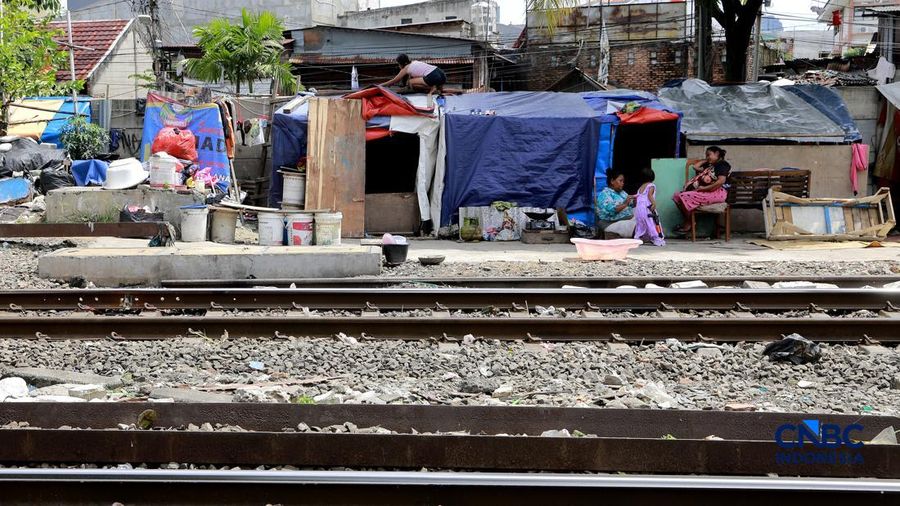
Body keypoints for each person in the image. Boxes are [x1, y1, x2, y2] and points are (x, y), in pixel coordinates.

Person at [672, 146, 731, 236]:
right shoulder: (710, 166)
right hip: (708, 191)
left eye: (709, 154)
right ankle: (690, 220)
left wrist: (704, 189)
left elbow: (721, 181)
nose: (707, 157)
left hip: (718, 193)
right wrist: (707, 159)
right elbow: (695, 167)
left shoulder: (722, 165)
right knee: (676, 196)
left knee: (683, 196)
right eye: (706, 155)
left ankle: (689, 223)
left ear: (717, 154)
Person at [596, 168, 636, 238]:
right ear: (612, 181)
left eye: (623, 181)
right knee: (632, 225)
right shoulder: (604, 194)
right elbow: (612, 210)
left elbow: (631, 205)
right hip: (610, 223)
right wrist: (625, 204)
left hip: (626, 218)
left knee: (644, 214)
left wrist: (636, 200)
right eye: (620, 181)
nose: (623, 183)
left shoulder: (622, 193)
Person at [381, 54, 447, 95]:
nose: (398, 66)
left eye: (399, 64)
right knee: (441, 90)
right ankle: (437, 88)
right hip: (441, 73)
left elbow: (394, 80)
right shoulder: (414, 62)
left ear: (403, 63)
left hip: (433, 76)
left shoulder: (406, 68)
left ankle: (432, 88)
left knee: (410, 82)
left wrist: (380, 85)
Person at [633, 166, 665, 246]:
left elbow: (637, 198)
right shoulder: (651, 185)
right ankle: (657, 239)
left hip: (639, 209)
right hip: (647, 207)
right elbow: (649, 195)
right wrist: (654, 203)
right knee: (652, 222)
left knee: (641, 223)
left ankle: (638, 238)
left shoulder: (640, 188)